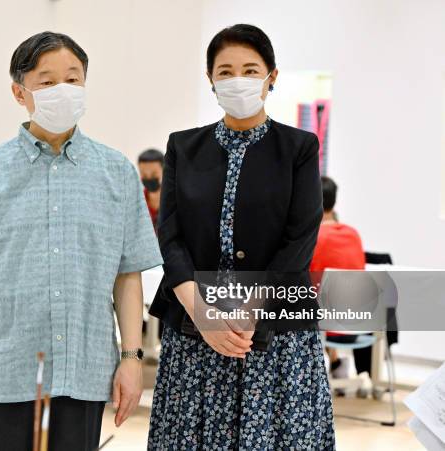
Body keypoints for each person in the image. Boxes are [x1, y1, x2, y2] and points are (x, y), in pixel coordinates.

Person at [0, 31, 162, 451]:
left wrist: (132, 361)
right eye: (47, 81)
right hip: (1, 369)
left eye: (73, 79)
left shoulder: (117, 173)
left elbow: (128, 276)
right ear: (19, 93)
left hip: (86, 368)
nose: (63, 90)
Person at [148, 24, 335, 449]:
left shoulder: (299, 147)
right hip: (197, 326)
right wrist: (203, 312)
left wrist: (248, 311)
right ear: (211, 79)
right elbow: (170, 236)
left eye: (251, 70)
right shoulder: (183, 146)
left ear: (272, 76)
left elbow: (300, 240)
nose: (238, 80)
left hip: (273, 327)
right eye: (226, 71)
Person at [310, 176, 365, 379]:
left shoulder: (312, 238)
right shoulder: (353, 234)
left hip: (325, 325)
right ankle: (335, 363)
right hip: (359, 321)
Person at [137, 148, 164, 230]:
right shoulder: (137, 203)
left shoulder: (176, 201)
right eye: (144, 175)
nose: (148, 178)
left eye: (154, 174)